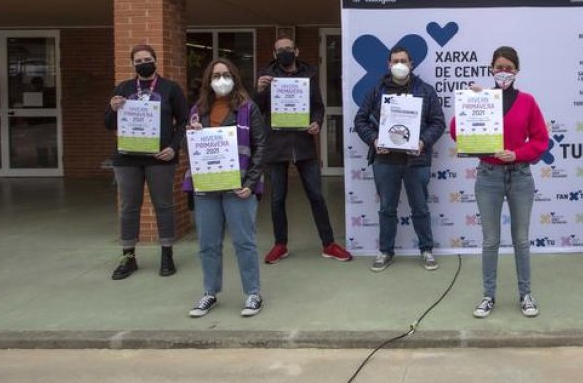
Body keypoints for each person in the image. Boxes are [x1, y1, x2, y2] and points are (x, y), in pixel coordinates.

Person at [451, 46, 549, 319]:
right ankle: (488, 295)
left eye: (509, 67)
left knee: (521, 239)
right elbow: (455, 131)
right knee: (491, 240)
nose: (503, 72)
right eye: (499, 67)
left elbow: (541, 140)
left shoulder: (527, 101)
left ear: (517, 71)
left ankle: (525, 294)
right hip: (488, 176)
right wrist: (469, 103)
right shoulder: (482, 98)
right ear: (490, 69)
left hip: (520, 175)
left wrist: (517, 153)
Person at [254, 36, 352, 264]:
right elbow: (256, 110)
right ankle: (280, 244)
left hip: (303, 144)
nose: (285, 52)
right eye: (280, 50)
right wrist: (259, 90)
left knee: (316, 195)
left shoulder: (309, 75)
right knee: (277, 198)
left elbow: (318, 106)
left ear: (296, 51)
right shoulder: (266, 77)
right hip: (276, 145)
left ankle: (328, 244)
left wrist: (317, 122)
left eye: (288, 48)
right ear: (274, 53)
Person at [183, 58, 268, 318]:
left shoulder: (248, 108)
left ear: (234, 77)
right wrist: (193, 133)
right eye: (216, 75)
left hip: (239, 187)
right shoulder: (198, 109)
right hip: (207, 187)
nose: (221, 80)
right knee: (208, 243)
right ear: (209, 80)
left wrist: (250, 183)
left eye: (225, 74)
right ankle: (210, 292)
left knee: (244, 242)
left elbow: (261, 147)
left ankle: (253, 293)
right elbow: (189, 149)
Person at [354, 45, 446, 273]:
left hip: (416, 160)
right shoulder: (376, 91)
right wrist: (375, 140)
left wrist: (423, 141)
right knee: (387, 208)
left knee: (420, 207)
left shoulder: (425, 90)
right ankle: (385, 251)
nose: (399, 65)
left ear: (411, 64)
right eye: (395, 61)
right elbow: (360, 120)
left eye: (404, 61)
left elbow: (438, 122)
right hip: (385, 160)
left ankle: (426, 249)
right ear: (388, 64)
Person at [104, 44, 188, 280]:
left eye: (147, 59)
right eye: (138, 60)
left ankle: (167, 254)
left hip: (160, 158)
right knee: (129, 208)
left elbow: (183, 121)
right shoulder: (123, 88)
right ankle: (128, 257)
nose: (143, 63)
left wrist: (173, 147)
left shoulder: (170, 88)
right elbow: (109, 123)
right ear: (132, 64)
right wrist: (112, 108)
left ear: (156, 60)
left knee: (164, 205)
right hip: (127, 158)